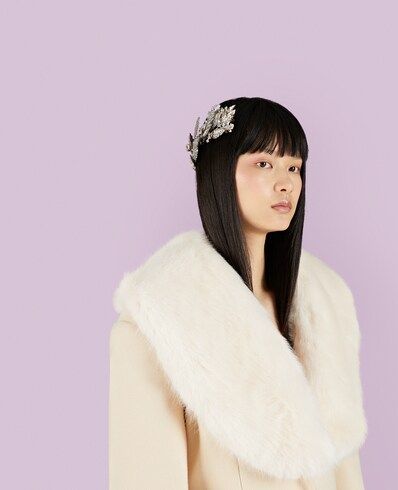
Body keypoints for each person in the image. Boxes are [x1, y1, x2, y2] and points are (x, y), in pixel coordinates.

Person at [108, 96, 368, 489]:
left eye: (294, 167)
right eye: (264, 163)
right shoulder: (158, 323)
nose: (286, 182)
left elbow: (345, 473)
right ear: (220, 172)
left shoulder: (326, 307)